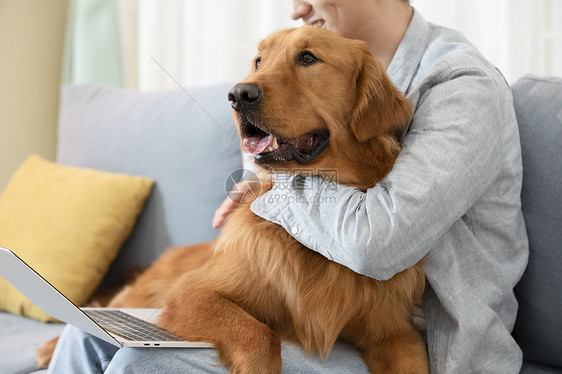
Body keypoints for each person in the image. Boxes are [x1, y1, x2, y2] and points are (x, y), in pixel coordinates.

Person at [48, 0, 529, 373]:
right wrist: (273, 181)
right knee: (85, 333)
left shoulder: (463, 86)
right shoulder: (315, 87)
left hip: (429, 348)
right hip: (314, 323)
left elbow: (378, 241)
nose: (297, 6)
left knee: (147, 361)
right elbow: (265, 165)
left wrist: (278, 192)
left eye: (305, 59)